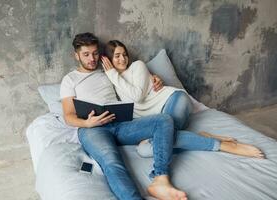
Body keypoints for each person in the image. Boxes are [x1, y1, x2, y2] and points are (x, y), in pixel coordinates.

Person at [60, 33, 188, 200]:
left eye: (95, 53)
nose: (92, 58)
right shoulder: (70, 79)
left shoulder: (108, 70)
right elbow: (68, 116)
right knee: (112, 161)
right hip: (92, 129)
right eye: (86, 54)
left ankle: (161, 179)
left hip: (120, 123)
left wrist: (154, 78)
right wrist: (88, 123)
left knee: (164, 120)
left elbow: (133, 80)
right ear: (76, 55)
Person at [101, 40, 265, 159]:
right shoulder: (114, 83)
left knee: (166, 138)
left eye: (124, 55)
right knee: (144, 150)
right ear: (109, 60)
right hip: (158, 120)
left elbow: (137, 96)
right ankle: (202, 137)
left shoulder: (137, 66)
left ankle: (223, 146)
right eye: (116, 56)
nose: (122, 59)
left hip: (173, 100)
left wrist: (114, 75)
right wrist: (113, 77)